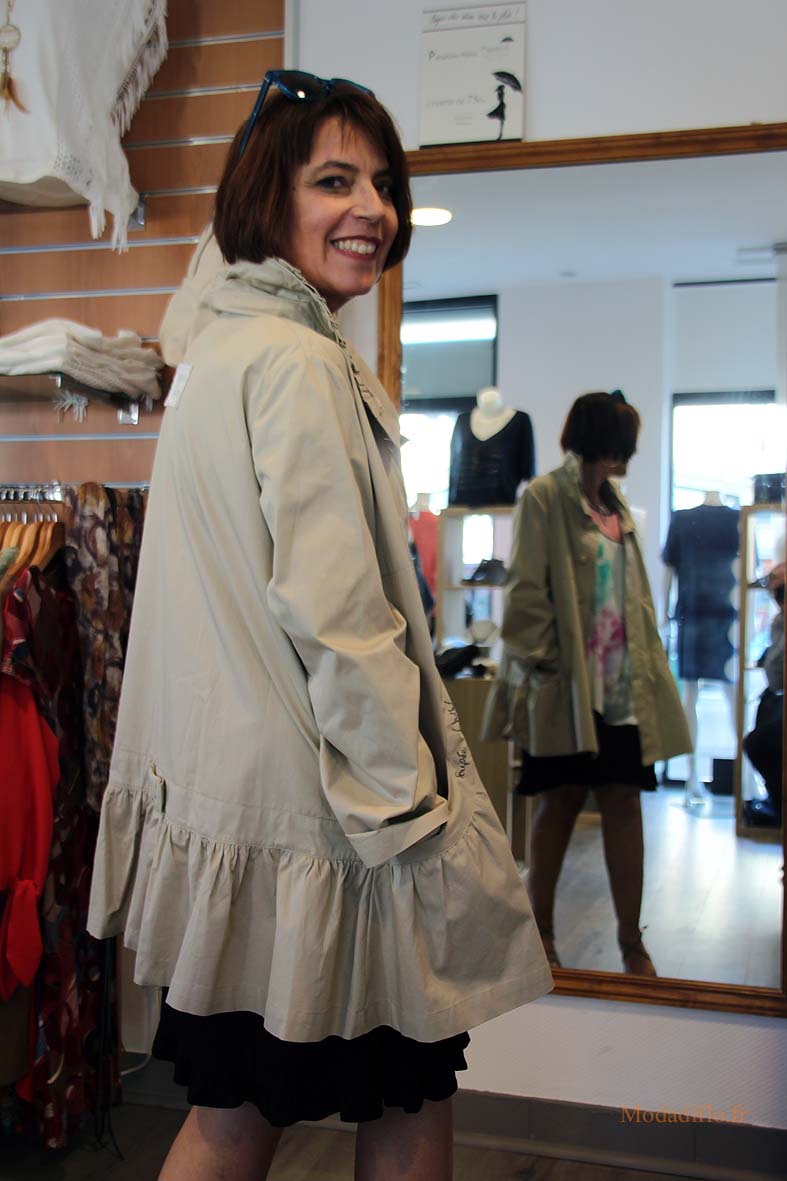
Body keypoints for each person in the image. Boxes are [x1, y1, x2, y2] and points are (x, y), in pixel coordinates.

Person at [86, 70, 551, 1181]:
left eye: (382, 184)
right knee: (400, 1094)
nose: (371, 209)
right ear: (269, 195)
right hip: (332, 830)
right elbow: (337, 615)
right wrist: (413, 811)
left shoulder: (220, 351)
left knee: (238, 1111)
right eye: (334, 181)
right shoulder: (296, 361)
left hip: (247, 817)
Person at [482, 391, 692, 976]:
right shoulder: (546, 497)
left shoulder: (616, 506)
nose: (628, 454)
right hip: (566, 686)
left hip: (620, 687)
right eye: (623, 442)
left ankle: (631, 942)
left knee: (625, 802)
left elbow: (632, 597)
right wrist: (547, 663)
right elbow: (526, 590)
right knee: (561, 801)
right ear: (603, 440)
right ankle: (542, 933)